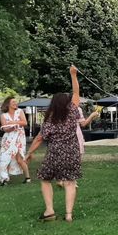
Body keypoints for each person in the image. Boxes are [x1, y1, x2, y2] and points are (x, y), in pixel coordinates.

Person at [25, 66, 82, 222]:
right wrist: (73, 74)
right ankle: (69, 215)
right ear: (67, 102)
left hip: (54, 153)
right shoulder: (72, 111)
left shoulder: (50, 118)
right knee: (70, 183)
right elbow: (76, 92)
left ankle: (49, 211)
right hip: (72, 152)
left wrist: (29, 153)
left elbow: (39, 138)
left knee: (45, 179)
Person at [0, 96, 31, 185]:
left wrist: (13, 123)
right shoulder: (3, 116)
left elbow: (25, 122)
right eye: (13, 102)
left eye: (16, 102)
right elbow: (5, 129)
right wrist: (11, 128)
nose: (15, 103)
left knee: (19, 159)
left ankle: (27, 178)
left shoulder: (20, 112)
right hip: (8, 139)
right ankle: (4, 179)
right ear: (8, 104)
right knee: (5, 159)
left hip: (19, 139)